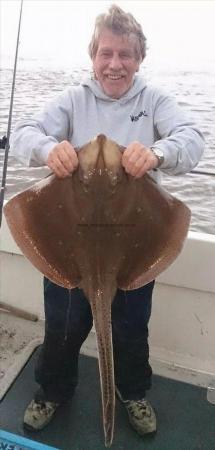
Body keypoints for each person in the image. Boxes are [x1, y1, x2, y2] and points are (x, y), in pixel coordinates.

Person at [10, 4, 204, 439]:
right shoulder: (72, 100)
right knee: (63, 328)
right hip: (69, 242)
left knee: (131, 330)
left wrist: (156, 154)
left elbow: (192, 139)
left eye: (126, 55)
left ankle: (133, 393)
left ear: (139, 59)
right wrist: (48, 151)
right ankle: (52, 391)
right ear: (93, 55)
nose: (115, 64)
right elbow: (24, 130)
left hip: (134, 245)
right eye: (106, 53)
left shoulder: (155, 101)